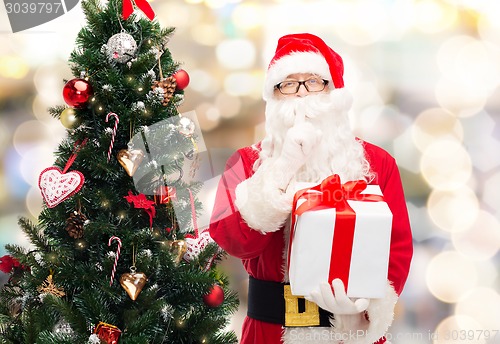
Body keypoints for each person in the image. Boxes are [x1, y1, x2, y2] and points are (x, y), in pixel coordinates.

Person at [209, 33, 413, 344]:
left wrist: (362, 312)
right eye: (288, 84)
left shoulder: (377, 163)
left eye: (314, 81)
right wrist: (282, 168)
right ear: (274, 96)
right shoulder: (245, 162)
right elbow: (233, 239)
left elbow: (397, 249)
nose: (302, 94)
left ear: (334, 92)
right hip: (268, 333)